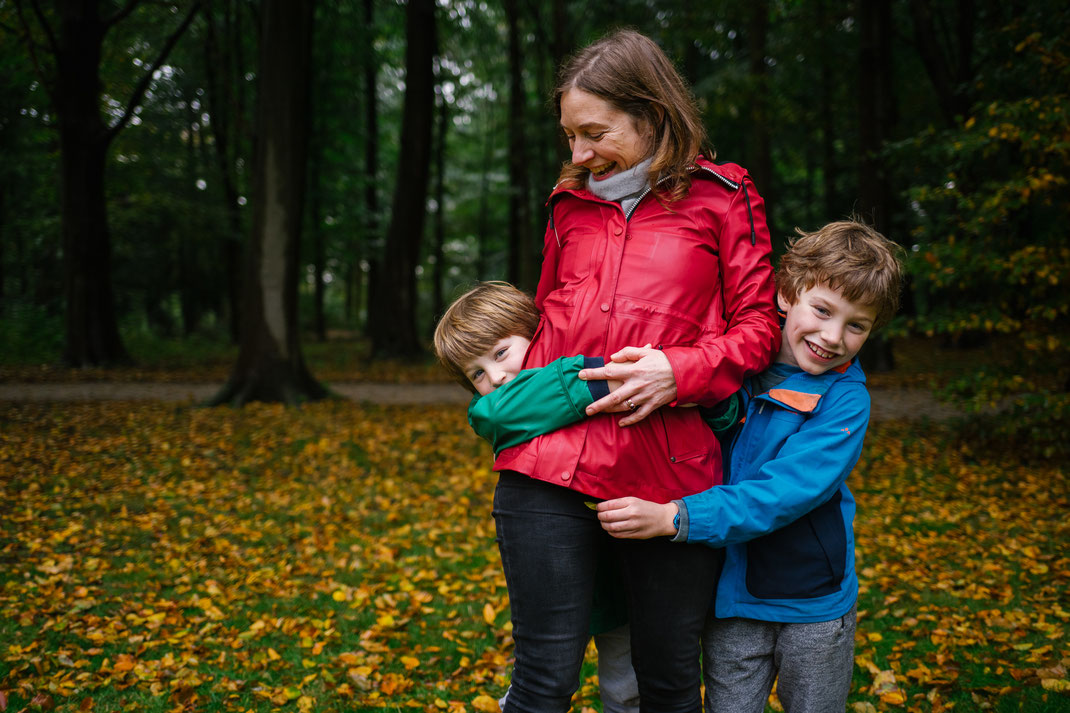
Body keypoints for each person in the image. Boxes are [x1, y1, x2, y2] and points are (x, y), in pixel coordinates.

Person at [492, 29, 780, 713]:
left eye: (594, 132)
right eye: (569, 135)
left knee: (670, 680)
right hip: (547, 462)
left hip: (670, 475)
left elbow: (760, 328)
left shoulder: (723, 195)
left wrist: (680, 370)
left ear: (651, 116)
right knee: (541, 680)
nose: (578, 154)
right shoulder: (568, 205)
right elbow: (547, 319)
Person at [596, 220, 904, 713]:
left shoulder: (846, 400)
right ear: (786, 293)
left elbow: (784, 492)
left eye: (856, 325)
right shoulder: (733, 365)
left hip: (812, 602)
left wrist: (675, 517)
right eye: (822, 310)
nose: (832, 336)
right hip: (731, 598)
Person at [432, 281, 640, 713]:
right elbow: (489, 410)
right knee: (542, 673)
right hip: (555, 556)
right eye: (476, 374)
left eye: (501, 353)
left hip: (632, 543)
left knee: (627, 682)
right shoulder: (496, 408)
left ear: (537, 331)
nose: (496, 378)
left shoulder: (540, 378)